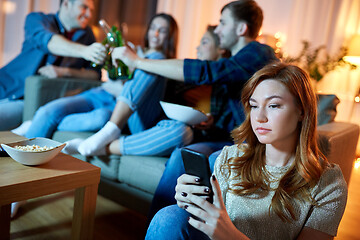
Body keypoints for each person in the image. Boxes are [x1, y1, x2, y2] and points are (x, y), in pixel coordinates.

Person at [146, 62, 348, 240]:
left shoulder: (328, 183)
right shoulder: (231, 157)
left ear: (302, 111)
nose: (259, 117)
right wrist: (191, 199)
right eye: (254, 106)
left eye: (274, 105)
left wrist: (230, 236)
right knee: (170, 217)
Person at [11, 13, 179, 218]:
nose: (155, 33)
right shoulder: (133, 51)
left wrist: (134, 70)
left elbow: (144, 96)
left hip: (123, 109)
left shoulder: (165, 63)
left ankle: (20, 187)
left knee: (100, 118)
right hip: (103, 93)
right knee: (48, 112)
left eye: (162, 31)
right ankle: (34, 132)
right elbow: (111, 76)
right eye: (153, 27)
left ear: (170, 36)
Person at [0, 0, 106, 131]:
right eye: (84, 7)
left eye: (91, 10)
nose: (89, 15)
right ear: (66, 4)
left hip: (27, 101)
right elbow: (49, 42)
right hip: (7, 85)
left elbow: (95, 75)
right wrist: (85, 51)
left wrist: (64, 71)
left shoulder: (87, 35)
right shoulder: (37, 19)